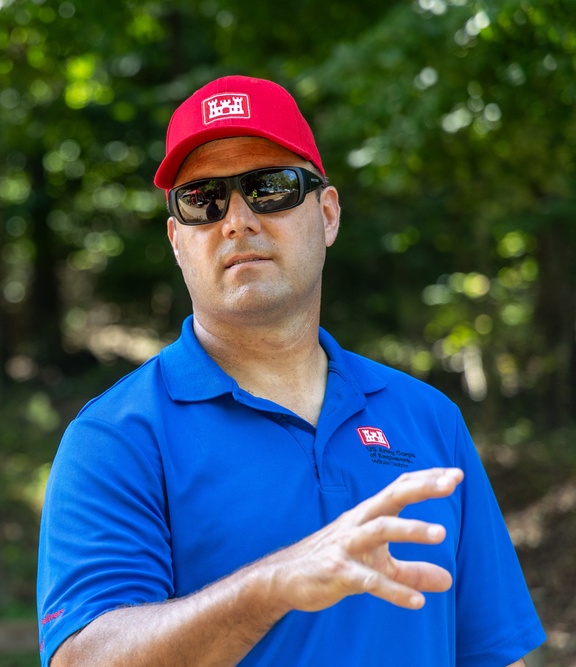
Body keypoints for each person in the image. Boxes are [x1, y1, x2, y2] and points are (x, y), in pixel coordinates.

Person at [36, 75, 545, 667]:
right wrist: (271, 585)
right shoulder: (115, 438)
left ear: (327, 215)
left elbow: (492, 653)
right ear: (178, 240)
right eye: (203, 199)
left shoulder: (427, 417)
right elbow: (83, 658)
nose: (237, 221)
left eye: (269, 188)